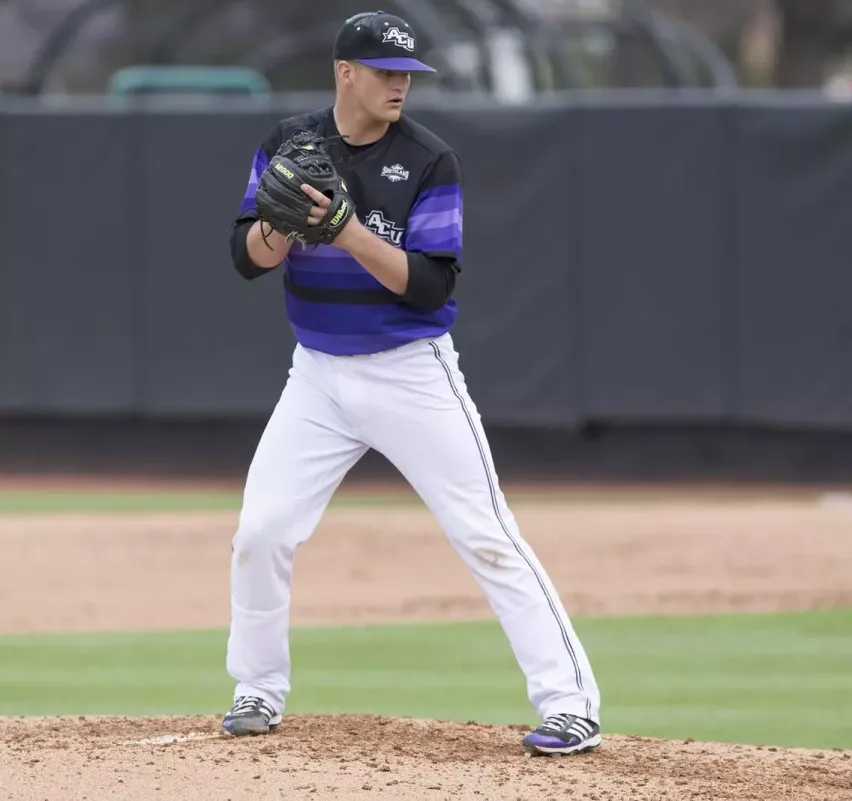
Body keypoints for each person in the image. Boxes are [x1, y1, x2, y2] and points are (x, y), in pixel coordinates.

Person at [220, 11, 602, 757]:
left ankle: (571, 703)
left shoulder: (429, 160)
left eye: (407, 75)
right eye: (387, 72)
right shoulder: (288, 147)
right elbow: (245, 257)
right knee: (260, 531)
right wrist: (282, 228)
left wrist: (344, 230)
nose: (400, 85)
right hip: (318, 377)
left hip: (410, 370)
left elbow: (429, 288)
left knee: (486, 535)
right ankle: (257, 689)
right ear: (346, 74)